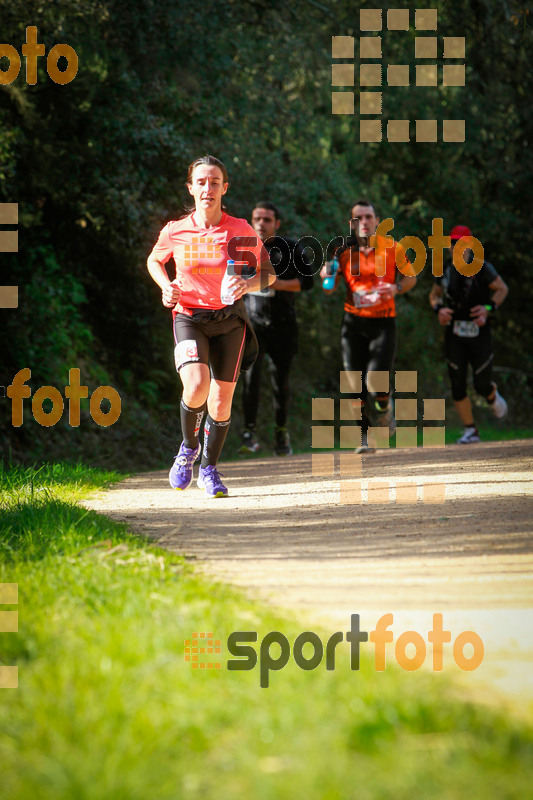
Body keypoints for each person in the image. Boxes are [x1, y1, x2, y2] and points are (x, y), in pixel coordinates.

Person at [147, 155, 275, 497]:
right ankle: (188, 449)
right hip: (189, 316)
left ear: (224, 188)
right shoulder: (176, 230)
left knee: (220, 403)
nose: (208, 188)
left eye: (214, 182)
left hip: (230, 320)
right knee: (197, 385)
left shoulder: (239, 230)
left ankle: (210, 470)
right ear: (190, 188)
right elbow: (154, 260)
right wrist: (165, 285)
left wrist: (246, 286)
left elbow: (268, 273)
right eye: (201, 182)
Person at [320, 199, 417, 453]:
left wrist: (395, 288)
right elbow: (329, 288)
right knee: (354, 381)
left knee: (375, 380)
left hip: (384, 322)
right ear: (351, 223)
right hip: (353, 323)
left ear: (377, 220)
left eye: (369, 216)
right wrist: (327, 276)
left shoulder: (393, 248)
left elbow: (411, 278)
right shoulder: (340, 250)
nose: (364, 221)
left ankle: (385, 406)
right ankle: (364, 437)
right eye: (358, 217)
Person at [240, 202, 314, 456]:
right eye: (257, 218)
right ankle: (249, 432)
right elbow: (230, 282)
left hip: (283, 325)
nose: (261, 223)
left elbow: (308, 283)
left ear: (277, 224)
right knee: (250, 377)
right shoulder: (242, 247)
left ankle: (281, 431)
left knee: (279, 381)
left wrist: (276, 284)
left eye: (267, 219)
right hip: (253, 324)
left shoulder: (291, 248)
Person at [429, 224, 508, 444]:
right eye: (453, 243)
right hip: (455, 332)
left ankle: (492, 394)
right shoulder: (443, 270)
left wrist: (489, 308)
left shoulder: (483, 268)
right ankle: (470, 430)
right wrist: (439, 310)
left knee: (481, 384)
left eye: (461, 243)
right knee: (457, 383)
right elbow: (434, 296)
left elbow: (502, 289)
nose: (456, 247)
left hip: (479, 331)